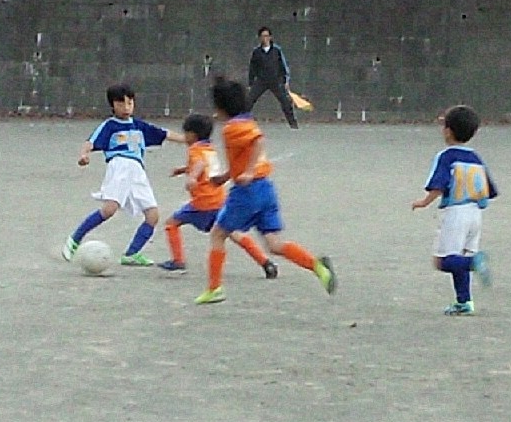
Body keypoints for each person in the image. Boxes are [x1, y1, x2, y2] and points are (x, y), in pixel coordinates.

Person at [193, 76, 335, 304]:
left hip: (247, 192)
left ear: (221, 108)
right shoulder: (247, 121)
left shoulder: (232, 128)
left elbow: (257, 141)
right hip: (265, 189)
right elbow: (244, 155)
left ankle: (214, 288)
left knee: (218, 234)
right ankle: (317, 266)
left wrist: (248, 172)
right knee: (274, 244)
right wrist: (225, 177)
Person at [62, 84, 178, 267]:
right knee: (109, 209)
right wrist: (83, 155)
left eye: (130, 103)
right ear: (112, 105)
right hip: (120, 166)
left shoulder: (139, 126)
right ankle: (74, 240)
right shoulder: (110, 126)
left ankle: (132, 254)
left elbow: (165, 134)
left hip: (138, 171)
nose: (126, 107)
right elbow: (90, 142)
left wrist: (191, 140)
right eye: (121, 103)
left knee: (153, 215)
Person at [158, 112, 278, 278]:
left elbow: (199, 164)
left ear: (192, 134)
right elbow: (204, 164)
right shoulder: (210, 149)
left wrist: (192, 177)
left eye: (185, 134)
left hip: (202, 203)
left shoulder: (194, 150)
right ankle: (265, 262)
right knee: (234, 233)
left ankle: (178, 260)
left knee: (171, 223)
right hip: (219, 200)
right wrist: (183, 170)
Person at [411, 104, 497, 315]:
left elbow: (439, 184)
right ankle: (464, 302)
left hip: (456, 213)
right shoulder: (476, 158)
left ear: (448, 131)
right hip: (475, 214)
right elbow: (489, 189)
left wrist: (424, 202)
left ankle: (475, 262)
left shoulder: (447, 156)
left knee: (443, 261)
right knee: (459, 257)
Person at [247, 26, 298, 129]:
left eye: (267, 36)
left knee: (285, 102)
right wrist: (251, 83)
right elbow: (252, 68)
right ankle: (239, 122)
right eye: (263, 36)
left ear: (270, 37)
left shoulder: (277, 50)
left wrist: (286, 81)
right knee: (249, 101)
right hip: (261, 80)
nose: (265, 38)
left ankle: (293, 124)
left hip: (276, 80)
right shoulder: (256, 52)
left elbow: (283, 66)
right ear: (259, 38)